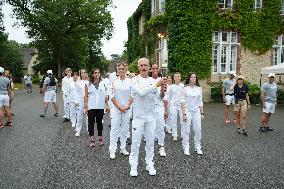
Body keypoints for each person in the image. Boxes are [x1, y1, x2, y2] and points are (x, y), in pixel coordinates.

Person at [129, 58, 167, 177]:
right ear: (139, 67)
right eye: (142, 65)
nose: (144, 67)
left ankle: (149, 163)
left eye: (146, 65)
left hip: (151, 117)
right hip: (138, 117)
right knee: (135, 143)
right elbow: (141, 92)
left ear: (149, 67)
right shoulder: (134, 80)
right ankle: (133, 165)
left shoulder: (152, 80)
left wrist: (162, 91)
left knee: (150, 143)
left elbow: (158, 99)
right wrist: (157, 84)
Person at [109, 63, 133, 159]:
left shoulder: (130, 82)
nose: (121, 70)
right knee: (114, 129)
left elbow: (132, 95)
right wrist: (119, 107)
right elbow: (112, 96)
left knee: (125, 129)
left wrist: (126, 106)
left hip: (126, 109)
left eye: (123, 69)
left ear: (126, 70)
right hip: (116, 109)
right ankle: (112, 150)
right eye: (120, 69)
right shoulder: (114, 82)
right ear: (117, 70)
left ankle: (123, 148)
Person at [84, 68, 109, 147]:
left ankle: (100, 138)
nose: (97, 74)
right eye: (95, 73)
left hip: (100, 106)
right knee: (91, 123)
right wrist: (86, 106)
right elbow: (86, 96)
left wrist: (107, 105)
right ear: (92, 75)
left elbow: (105, 96)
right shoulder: (88, 84)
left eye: (98, 73)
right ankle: (91, 139)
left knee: (99, 123)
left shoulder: (103, 84)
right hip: (91, 107)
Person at [181, 73, 204, 156]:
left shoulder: (199, 88)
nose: (193, 78)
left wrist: (202, 113)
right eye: (192, 77)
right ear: (189, 78)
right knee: (186, 130)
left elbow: (200, 101)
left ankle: (198, 146)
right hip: (187, 111)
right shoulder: (185, 88)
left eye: (195, 77)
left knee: (198, 130)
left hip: (196, 111)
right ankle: (186, 147)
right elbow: (182, 101)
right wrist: (184, 114)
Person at [151, 64, 167, 157]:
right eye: (153, 68)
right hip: (149, 107)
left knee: (160, 127)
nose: (155, 70)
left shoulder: (162, 80)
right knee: (150, 129)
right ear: (151, 69)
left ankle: (161, 147)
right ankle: (150, 148)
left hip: (159, 107)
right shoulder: (148, 80)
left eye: (157, 68)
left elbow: (161, 97)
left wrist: (162, 92)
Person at [167, 72, 184, 141]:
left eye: (178, 76)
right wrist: (170, 106)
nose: (177, 78)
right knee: (173, 121)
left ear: (180, 78)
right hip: (173, 106)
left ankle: (183, 135)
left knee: (182, 121)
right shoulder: (171, 87)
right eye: (176, 76)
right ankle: (175, 135)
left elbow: (184, 96)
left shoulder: (183, 86)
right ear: (174, 78)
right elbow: (170, 97)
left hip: (181, 105)